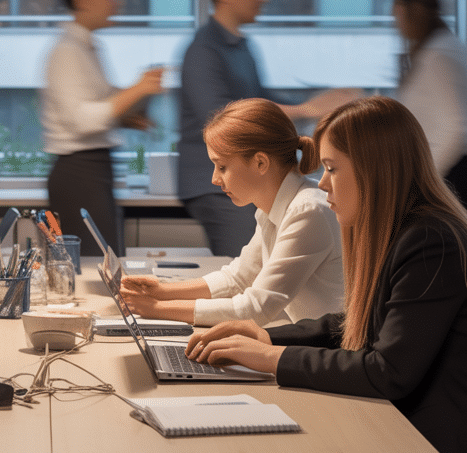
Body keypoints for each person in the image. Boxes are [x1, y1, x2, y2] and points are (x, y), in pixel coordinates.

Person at [188, 96, 467, 453]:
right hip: (414, 440)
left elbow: (387, 371)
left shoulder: (431, 243)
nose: (322, 183)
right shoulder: (406, 231)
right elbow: (356, 323)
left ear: (374, 169)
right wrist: (267, 337)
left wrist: (272, 359)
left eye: (332, 168)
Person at [180, 0, 358, 256]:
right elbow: (225, 118)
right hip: (218, 183)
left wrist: (319, 105)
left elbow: (261, 99)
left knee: (255, 272)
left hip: (246, 174)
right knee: (245, 274)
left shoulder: (243, 47)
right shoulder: (203, 50)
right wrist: (305, 109)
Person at [120, 98, 342, 326]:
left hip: (329, 350)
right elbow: (239, 278)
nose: (215, 179)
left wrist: (155, 309)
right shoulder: (273, 208)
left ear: (260, 163)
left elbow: (256, 308)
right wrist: (161, 291)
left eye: (222, 167)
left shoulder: (307, 211)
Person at [41, 0, 164, 256]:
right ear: (81, 0)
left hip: (93, 169)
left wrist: (129, 116)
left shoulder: (88, 47)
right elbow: (84, 121)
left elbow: (102, 104)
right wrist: (138, 88)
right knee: (94, 267)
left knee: (104, 261)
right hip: (78, 172)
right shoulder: (66, 51)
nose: (115, 2)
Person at [391, 0, 467, 209]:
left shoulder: (437, 56)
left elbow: (454, 130)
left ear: (406, 9)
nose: (392, 14)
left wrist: (421, 184)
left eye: (396, 6)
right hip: (460, 171)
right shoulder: (447, 46)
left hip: (452, 175)